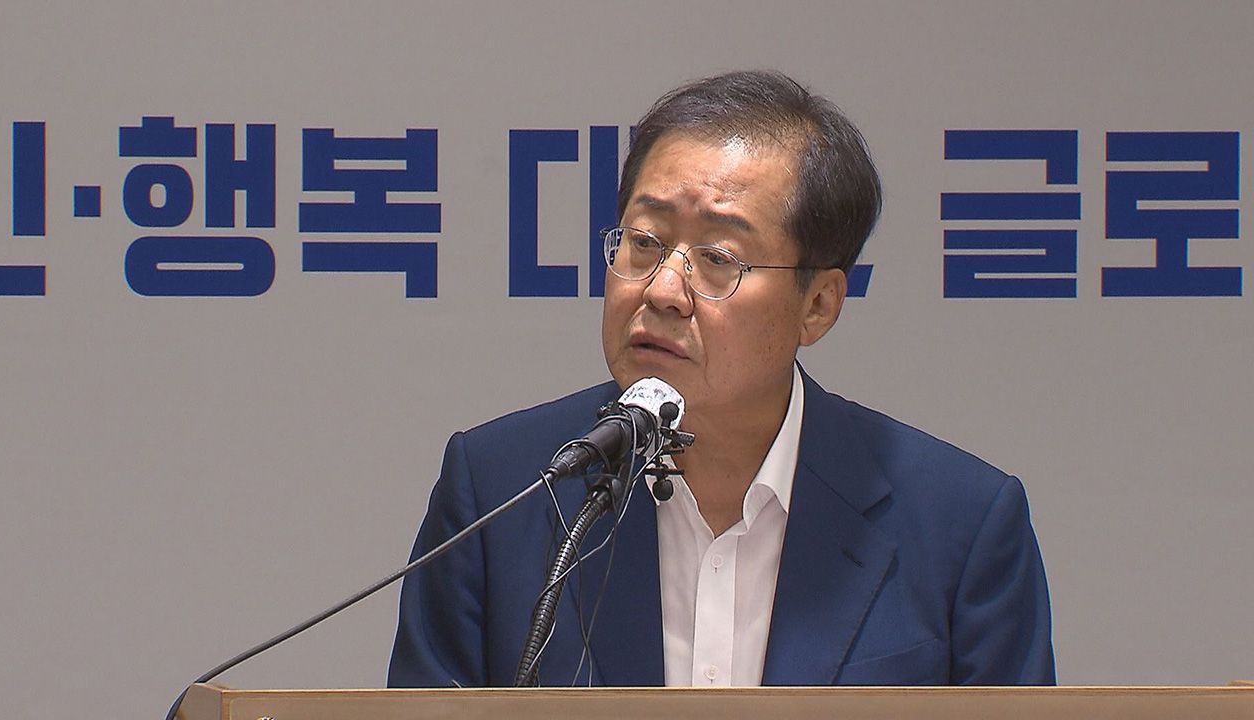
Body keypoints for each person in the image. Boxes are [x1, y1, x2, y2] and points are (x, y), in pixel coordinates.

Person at [388, 70, 1054, 687]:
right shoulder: (500, 494)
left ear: (818, 304)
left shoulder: (960, 527)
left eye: (718, 258)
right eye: (643, 242)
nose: (662, 290)